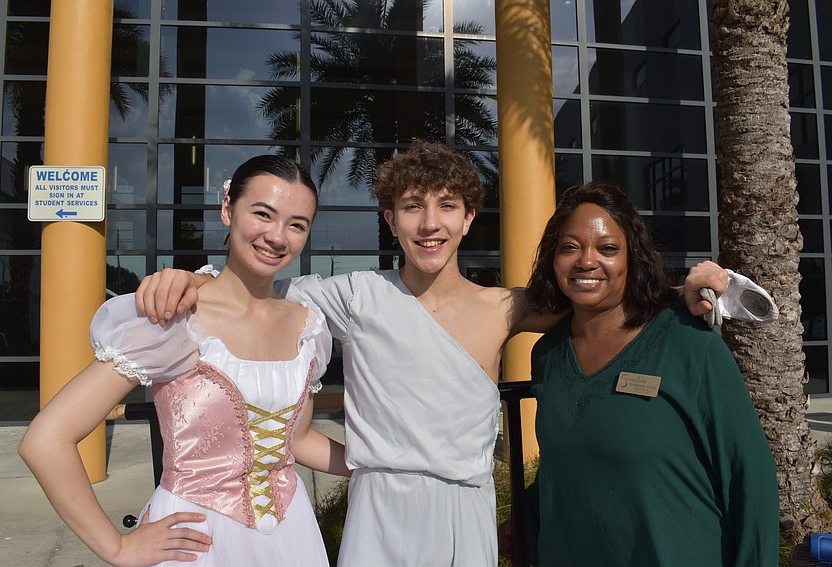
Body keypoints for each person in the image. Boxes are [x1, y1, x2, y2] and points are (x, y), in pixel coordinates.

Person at [136, 142, 734, 566]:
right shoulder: (353, 295)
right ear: (390, 219)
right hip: (380, 508)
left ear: (469, 218)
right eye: (412, 206)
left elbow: (601, 290)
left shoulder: (509, 306)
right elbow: (255, 282)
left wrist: (684, 285)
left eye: (448, 205)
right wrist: (192, 278)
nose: (430, 223)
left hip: (467, 508)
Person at [19, 155, 350, 567]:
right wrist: (117, 547)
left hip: (292, 533)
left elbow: (295, 441)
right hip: (197, 539)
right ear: (228, 210)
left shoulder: (308, 327)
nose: (277, 236)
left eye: (297, 224)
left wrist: (376, 467)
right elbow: (46, 440)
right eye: (263, 214)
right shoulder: (172, 320)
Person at [520, 180, 779, 565]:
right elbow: (570, 461)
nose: (586, 261)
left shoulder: (688, 342)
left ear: (632, 257)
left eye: (607, 248)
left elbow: (748, 476)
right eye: (569, 247)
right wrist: (521, 522)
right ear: (552, 260)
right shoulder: (548, 355)